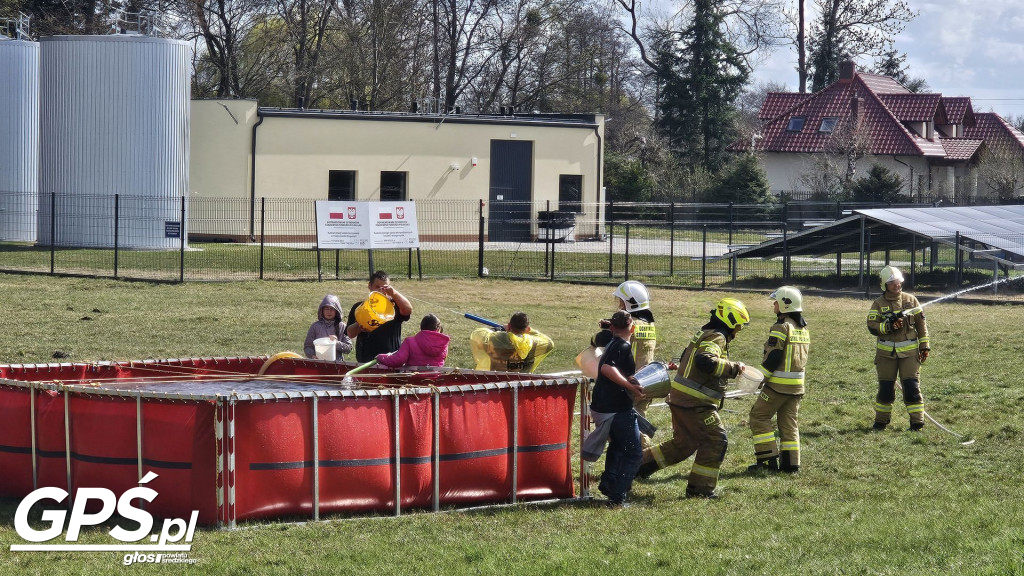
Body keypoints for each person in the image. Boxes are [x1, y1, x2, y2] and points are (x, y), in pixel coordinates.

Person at [635, 298, 750, 499]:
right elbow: (705, 361)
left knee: (684, 444)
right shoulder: (717, 337)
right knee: (716, 440)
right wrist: (733, 368)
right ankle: (700, 490)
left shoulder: (706, 333)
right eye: (739, 324)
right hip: (696, 403)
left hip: (682, 399)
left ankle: (635, 467)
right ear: (730, 320)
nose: (739, 330)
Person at [581, 311, 646, 507]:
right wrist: (630, 386)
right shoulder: (624, 345)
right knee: (634, 453)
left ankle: (609, 484)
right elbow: (607, 368)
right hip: (616, 409)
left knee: (618, 446)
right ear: (632, 328)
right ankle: (618, 497)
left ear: (612, 328)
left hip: (603, 406)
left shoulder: (611, 342)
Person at [747, 286, 810, 473]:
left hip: (777, 387)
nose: (773, 304)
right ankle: (791, 464)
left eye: (776, 301)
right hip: (797, 387)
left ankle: (767, 461)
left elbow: (773, 358)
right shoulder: (803, 329)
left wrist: (760, 379)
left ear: (785, 304)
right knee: (789, 423)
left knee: (759, 417)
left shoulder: (781, 327)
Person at [867, 265, 930, 431]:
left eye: (899, 281)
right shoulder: (878, 304)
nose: (897, 285)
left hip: (910, 354)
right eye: (892, 282)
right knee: (886, 390)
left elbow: (921, 325)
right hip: (886, 355)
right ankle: (880, 422)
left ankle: (917, 423)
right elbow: (872, 326)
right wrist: (888, 326)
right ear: (885, 285)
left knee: (911, 387)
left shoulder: (911, 300)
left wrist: (925, 347)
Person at [346, 271, 413, 363]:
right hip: (365, 362)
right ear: (370, 286)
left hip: (391, 361)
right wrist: (361, 323)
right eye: (377, 287)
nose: (381, 291)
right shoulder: (359, 307)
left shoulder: (394, 307)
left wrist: (394, 293)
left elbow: (408, 310)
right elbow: (350, 333)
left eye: (385, 288)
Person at [470, 311, 554, 372]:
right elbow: (549, 342)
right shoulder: (533, 343)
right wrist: (529, 330)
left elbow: (479, 334)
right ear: (527, 329)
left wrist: (501, 328)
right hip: (521, 385)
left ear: (509, 325)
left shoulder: (496, 339)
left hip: (495, 385)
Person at [376, 314, 450, 368]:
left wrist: (381, 357)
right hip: (436, 381)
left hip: (414, 380)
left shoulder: (409, 341)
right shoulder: (443, 344)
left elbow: (398, 360)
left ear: (421, 327)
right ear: (438, 329)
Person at [303, 294, 353, 360]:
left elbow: (349, 348)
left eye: (332, 309)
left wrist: (336, 343)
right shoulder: (315, 326)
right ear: (322, 310)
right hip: (319, 363)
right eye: (326, 309)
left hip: (337, 365)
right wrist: (312, 355)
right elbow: (307, 347)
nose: (329, 312)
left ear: (336, 310)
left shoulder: (342, 327)